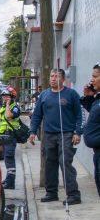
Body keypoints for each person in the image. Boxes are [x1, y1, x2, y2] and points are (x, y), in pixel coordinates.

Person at [29, 69, 83, 205]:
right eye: (52, 76)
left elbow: (79, 114)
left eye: (56, 76)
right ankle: (51, 193)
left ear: (63, 79)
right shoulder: (44, 95)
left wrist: (78, 132)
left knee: (65, 162)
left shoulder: (71, 94)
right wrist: (33, 132)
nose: (53, 79)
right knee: (49, 163)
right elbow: (37, 115)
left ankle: (73, 195)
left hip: (66, 134)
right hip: (48, 134)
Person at [80, 64, 100, 220]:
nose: (92, 79)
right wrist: (88, 97)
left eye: (95, 76)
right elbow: (92, 112)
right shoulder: (98, 99)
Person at [0, 90, 22, 190]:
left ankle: (11, 183)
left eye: (7, 96)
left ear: (12, 97)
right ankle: (8, 179)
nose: (5, 98)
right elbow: (1, 121)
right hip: (3, 136)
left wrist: (7, 105)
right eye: (4, 96)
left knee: (9, 158)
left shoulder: (15, 108)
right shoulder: (3, 107)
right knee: (6, 159)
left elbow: (8, 116)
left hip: (10, 136)